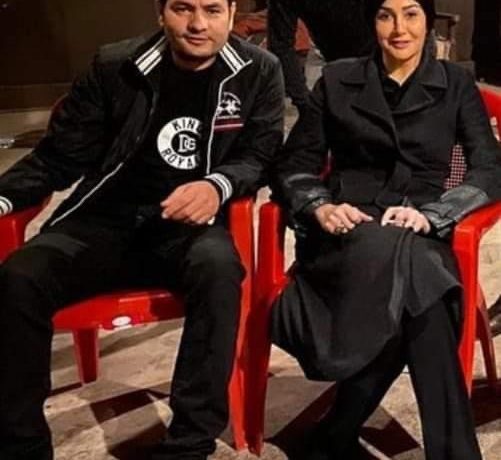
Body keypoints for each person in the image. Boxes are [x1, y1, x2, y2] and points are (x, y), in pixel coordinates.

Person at [0, 0, 284, 459]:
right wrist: (3, 197)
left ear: (232, 15)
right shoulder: (117, 65)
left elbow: (261, 153)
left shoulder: (259, 70)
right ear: (160, 13)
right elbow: (59, 156)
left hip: (188, 231)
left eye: (213, 10)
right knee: (19, 277)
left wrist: (217, 185)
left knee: (219, 270)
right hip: (103, 223)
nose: (198, 24)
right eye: (183, 8)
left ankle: (188, 445)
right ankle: (22, 446)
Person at [272, 0, 501, 458]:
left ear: (428, 21)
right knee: (428, 287)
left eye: (411, 13)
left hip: (420, 229)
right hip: (347, 234)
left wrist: (436, 214)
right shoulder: (337, 79)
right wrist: (320, 206)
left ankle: (334, 434)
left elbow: (489, 169)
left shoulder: (455, 83)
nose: (399, 28)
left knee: (420, 287)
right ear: (371, 23)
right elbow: (294, 165)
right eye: (385, 15)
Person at [267, 0, 373, 112]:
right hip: (340, 70)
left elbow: (280, 46)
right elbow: (280, 46)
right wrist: (304, 101)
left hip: (376, 59)